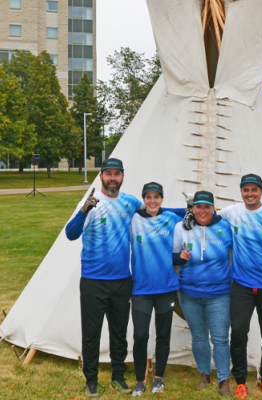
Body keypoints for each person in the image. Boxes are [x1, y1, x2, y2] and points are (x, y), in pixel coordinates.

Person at [182, 174, 262, 398]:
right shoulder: (233, 212)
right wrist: (187, 214)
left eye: (254, 190)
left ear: (261, 191)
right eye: (246, 190)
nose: (250, 194)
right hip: (241, 284)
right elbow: (207, 214)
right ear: (241, 192)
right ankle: (241, 380)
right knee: (239, 332)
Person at [66, 158, 142, 398]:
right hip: (93, 280)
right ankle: (91, 380)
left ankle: (118, 377)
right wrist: (83, 211)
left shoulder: (130, 202)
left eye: (116, 174)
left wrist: (192, 210)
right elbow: (70, 234)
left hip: (121, 280)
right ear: (101, 176)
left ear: (122, 177)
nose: (112, 178)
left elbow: (155, 211)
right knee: (91, 334)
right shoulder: (91, 203)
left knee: (119, 333)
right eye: (108, 173)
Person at [173, 190, 233, 397]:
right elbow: (173, 257)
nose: (202, 210)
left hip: (219, 293)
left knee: (220, 339)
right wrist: (179, 257)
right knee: (198, 337)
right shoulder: (181, 227)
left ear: (213, 208)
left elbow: (237, 252)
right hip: (189, 293)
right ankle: (204, 375)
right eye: (198, 206)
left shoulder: (225, 226)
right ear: (192, 208)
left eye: (207, 206)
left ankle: (223, 380)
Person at [129, 182, 183, 396]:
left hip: (166, 288)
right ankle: (140, 380)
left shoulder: (171, 219)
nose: (152, 201)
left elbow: (192, 218)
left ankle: (158, 378)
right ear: (143, 199)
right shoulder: (133, 220)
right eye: (148, 197)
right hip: (141, 289)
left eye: (156, 197)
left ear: (162, 199)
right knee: (141, 335)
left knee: (163, 334)